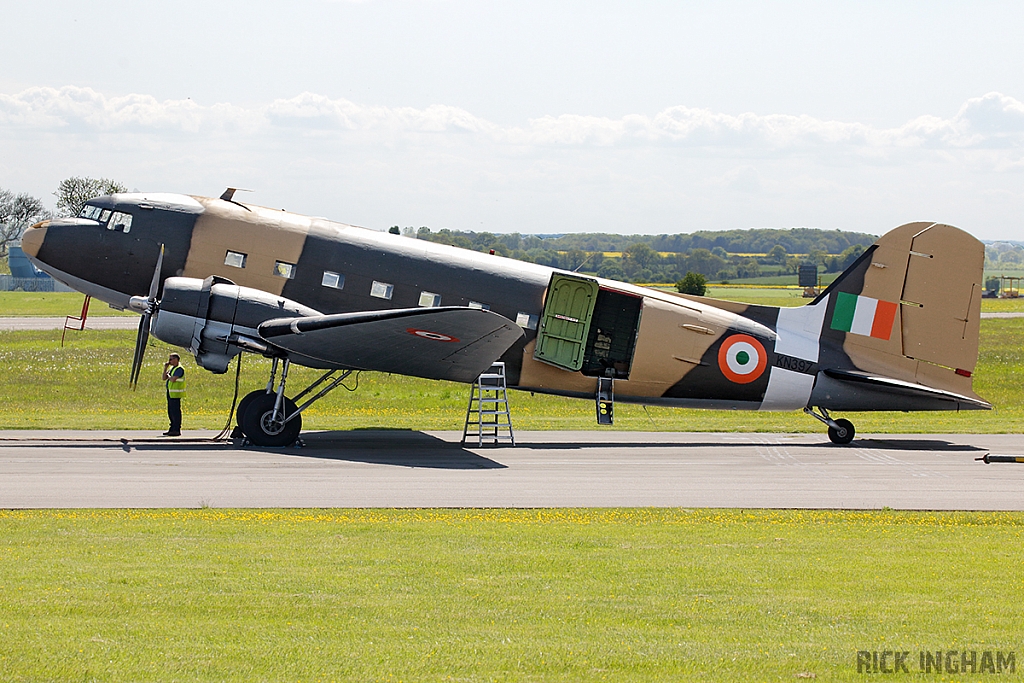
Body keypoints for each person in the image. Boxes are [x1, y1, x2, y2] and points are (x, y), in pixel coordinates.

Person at [162, 353, 186, 436]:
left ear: (176, 359)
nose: (169, 361)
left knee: (175, 412)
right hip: (170, 392)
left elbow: (172, 379)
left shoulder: (179, 369)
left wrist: (168, 375)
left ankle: (176, 429)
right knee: (170, 411)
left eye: (171, 359)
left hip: (176, 393)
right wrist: (165, 368)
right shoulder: (172, 368)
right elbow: (163, 378)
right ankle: (172, 428)